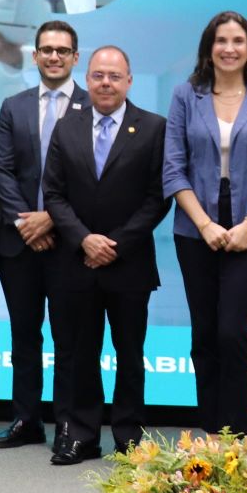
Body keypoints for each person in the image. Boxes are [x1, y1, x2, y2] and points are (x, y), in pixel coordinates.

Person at [163, 11, 247, 436]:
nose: (229, 48)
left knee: (232, 331)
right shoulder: (186, 95)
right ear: (209, 48)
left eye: (238, 41)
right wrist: (204, 225)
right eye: (221, 40)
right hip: (194, 228)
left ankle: (234, 431)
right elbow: (173, 168)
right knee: (204, 332)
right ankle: (208, 429)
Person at [42, 46, 170, 462]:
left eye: (115, 76)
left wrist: (115, 243)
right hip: (76, 261)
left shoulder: (154, 128)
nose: (106, 83)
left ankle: (129, 437)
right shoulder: (66, 127)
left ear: (129, 81)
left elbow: (158, 197)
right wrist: (85, 240)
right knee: (81, 354)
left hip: (129, 263)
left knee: (130, 355)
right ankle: (82, 435)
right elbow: (53, 194)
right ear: (87, 78)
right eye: (98, 75)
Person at [0, 21, 89, 448]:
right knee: (24, 336)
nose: (54, 56)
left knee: (69, 339)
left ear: (75, 57)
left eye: (62, 50)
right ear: (35, 56)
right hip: (20, 242)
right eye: (47, 49)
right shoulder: (15, 105)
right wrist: (27, 223)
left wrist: (53, 219)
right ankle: (26, 419)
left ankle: (67, 422)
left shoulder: (93, 106)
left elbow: (94, 176)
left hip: (70, 244)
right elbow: (2, 169)